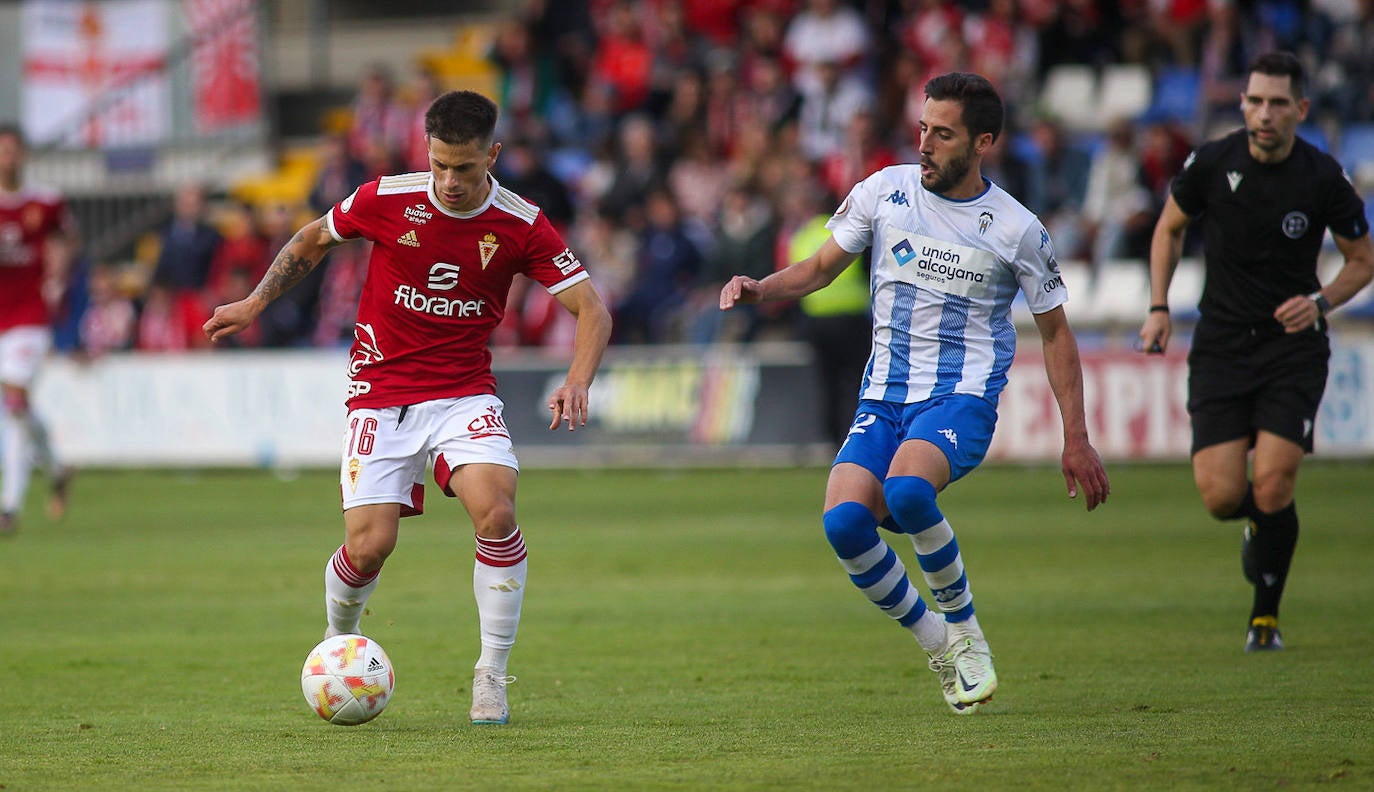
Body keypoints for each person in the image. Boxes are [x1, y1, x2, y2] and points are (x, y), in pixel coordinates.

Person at [203, 90, 613, 724]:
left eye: (466, 168)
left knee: (495, 511)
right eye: (440, 165)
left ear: (493, 156)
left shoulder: (521, 222)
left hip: (464, 391)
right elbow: (313, 238)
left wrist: (577, 378)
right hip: (381, 391)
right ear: (427, 152)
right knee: (368, 548)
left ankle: (491, 677)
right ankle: (339, 646)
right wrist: (256, 302)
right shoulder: (386, 197)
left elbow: (592, 309)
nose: (450, 181)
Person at [719, 73, 1110, 714]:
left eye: (944, 133)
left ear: (982, 141)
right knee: (845, 522)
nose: (925, 143)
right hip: (884, 396)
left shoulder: (1016, 229)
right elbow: (820, 268)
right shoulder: (883, 191)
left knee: (904, 491)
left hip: (961, 396)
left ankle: (968, 634)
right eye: (923, 127)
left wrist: (1076, 436)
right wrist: (762, 288)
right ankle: (937, 643)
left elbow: (1057, 334)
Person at [1138, 51, 1374, 653]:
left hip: (1292, 348)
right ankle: (1261, 531)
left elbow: (1363, 261)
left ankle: (1264, 619)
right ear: (1241, 103)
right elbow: (1168, 227)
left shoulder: (1322, 177)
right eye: (1253, 101)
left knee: (1273, 482)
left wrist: (1320, 303)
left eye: (1276, 103)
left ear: (1300, 109)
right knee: (1221, 496)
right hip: (1219, 344)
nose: (1262, 114)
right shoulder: (1213, 163)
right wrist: (1159, 306)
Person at [0, 123, 76, 534]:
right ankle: (57, 466)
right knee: (17, 407)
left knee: (13, 404)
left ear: (23, 155)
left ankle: (8, 508)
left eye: (14, 150)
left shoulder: (44, 202)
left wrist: (57, 276)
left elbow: (67, 238)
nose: (9, 157)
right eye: (3, 151)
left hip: (28, 318)